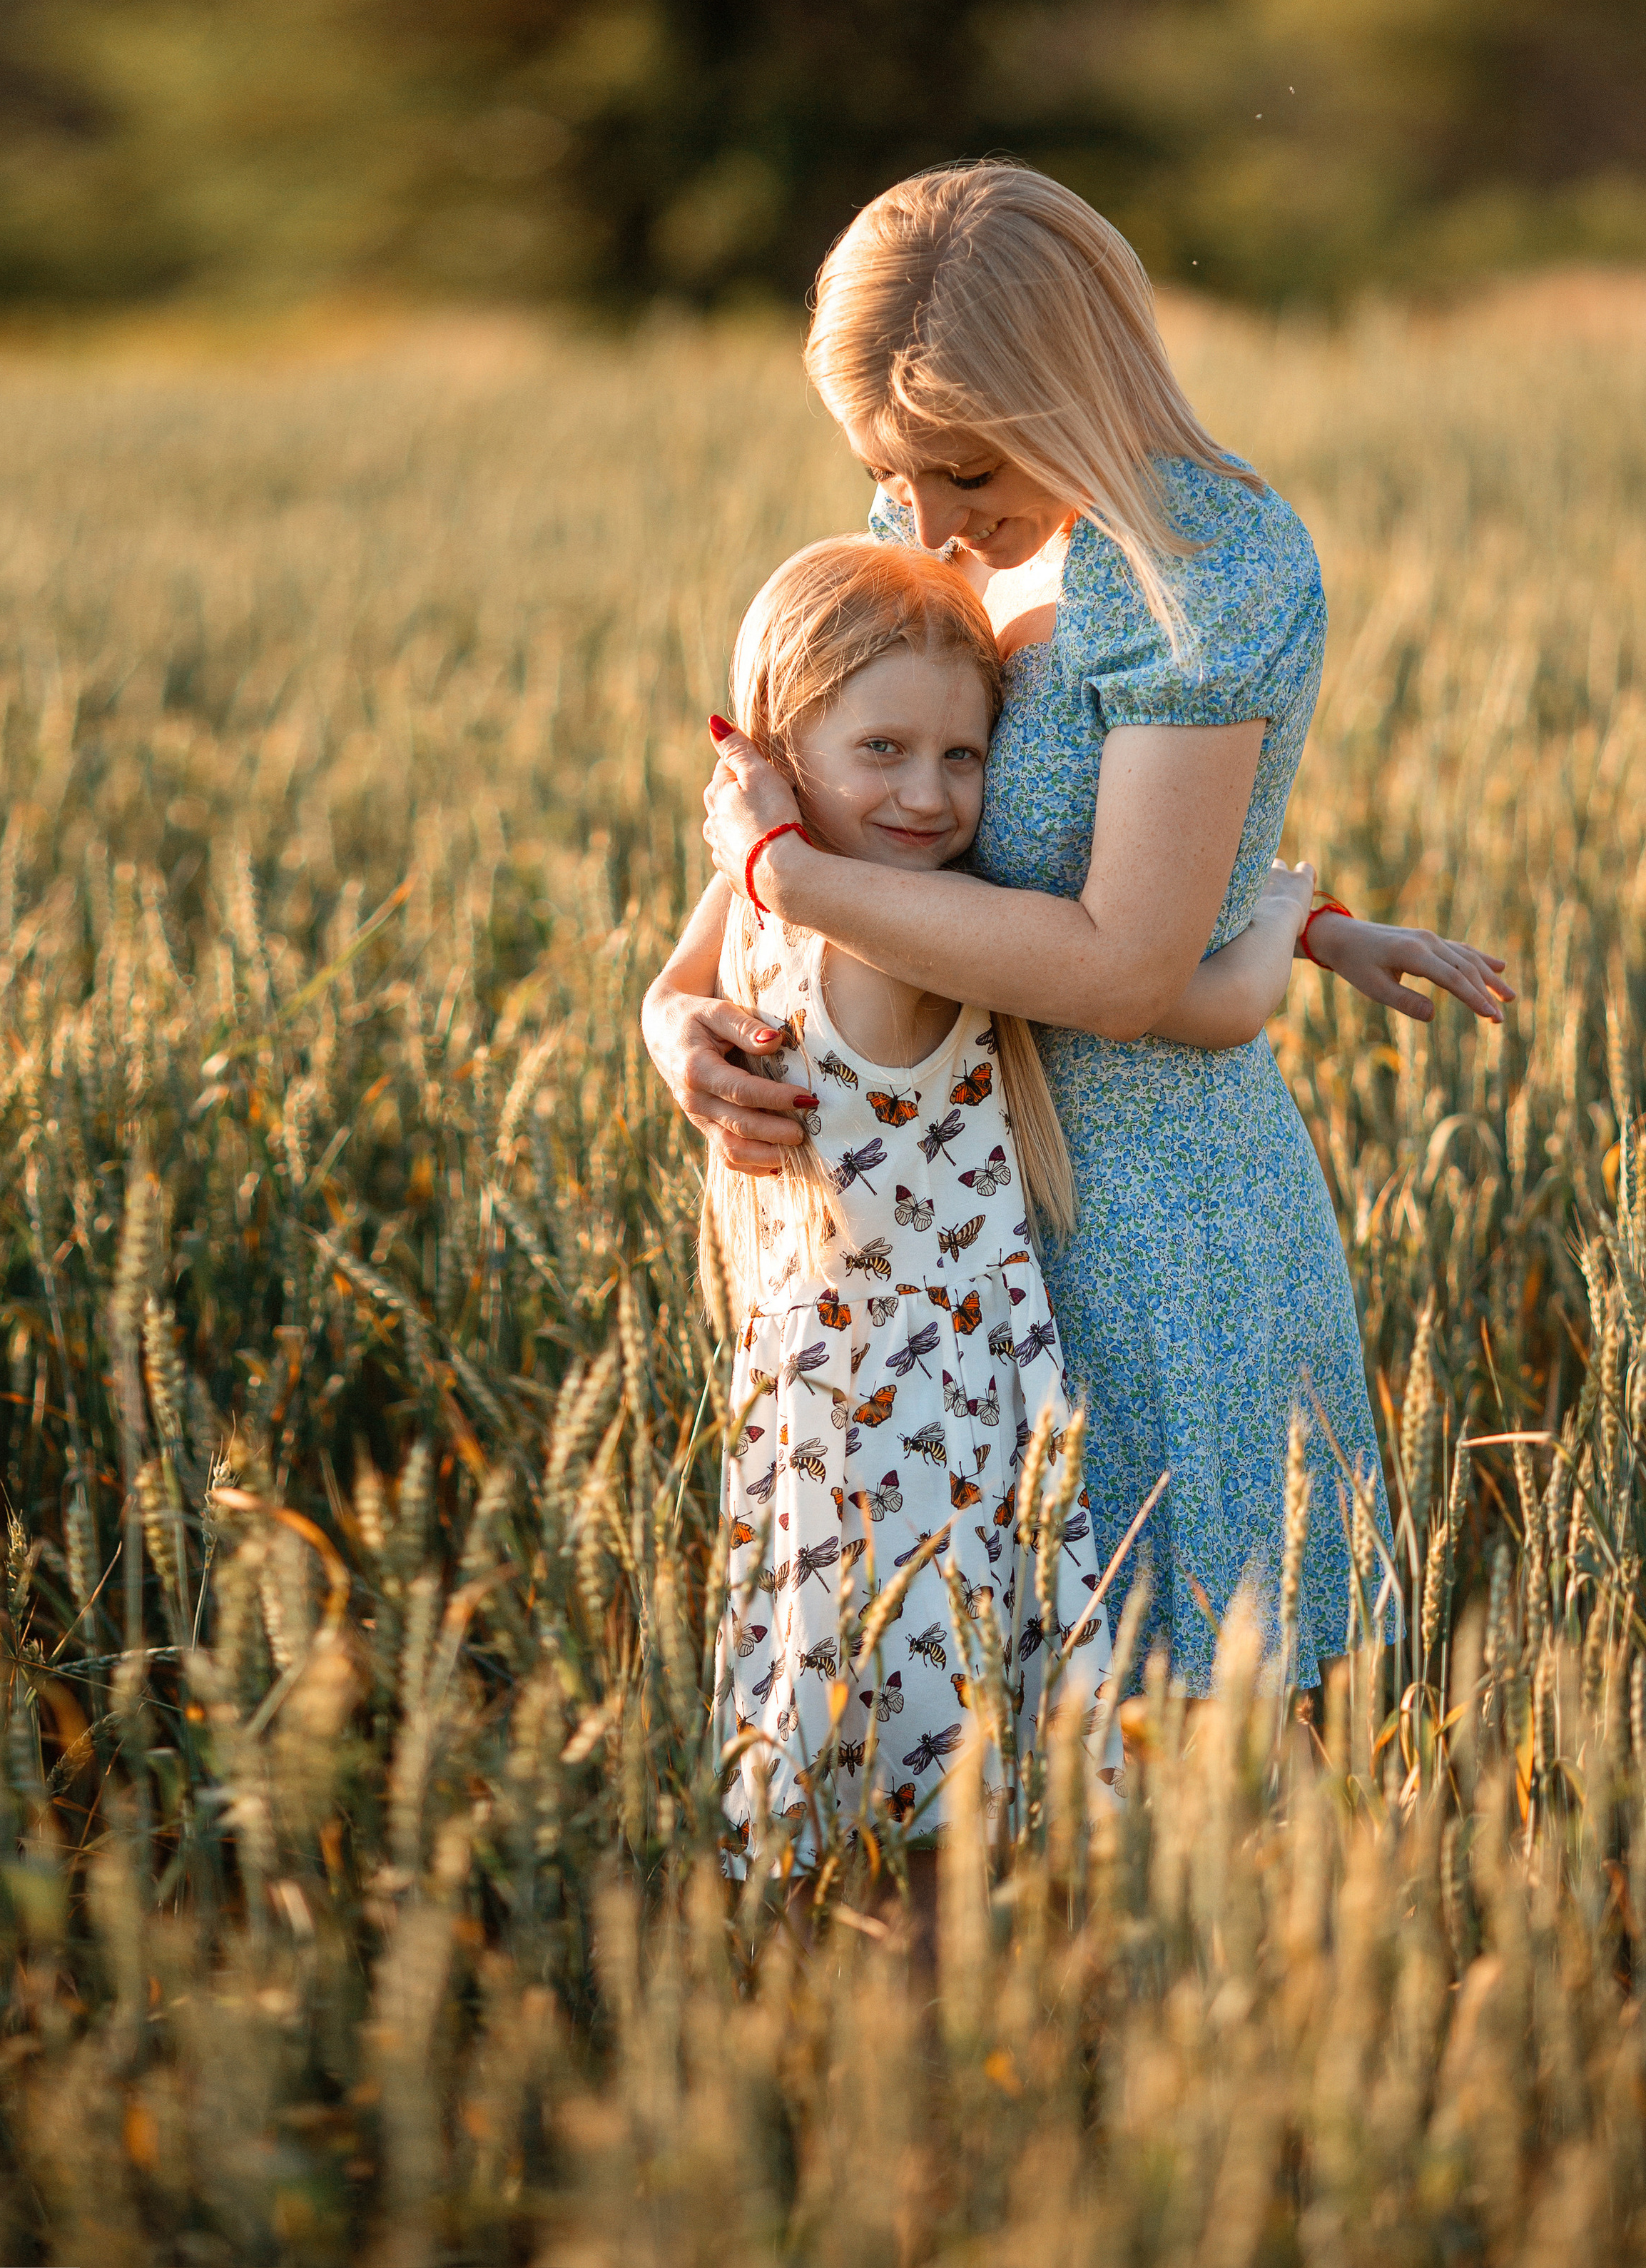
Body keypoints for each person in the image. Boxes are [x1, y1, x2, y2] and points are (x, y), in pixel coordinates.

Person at [645, 163, 1512, 1693]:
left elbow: (1121, 965)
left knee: (1219, 1762)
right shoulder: (944, 511)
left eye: (963, 474)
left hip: (1154, 1234)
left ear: (1068, 397)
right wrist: (675, 1010)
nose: (923, 520)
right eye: (886, 471)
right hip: (930, 1246)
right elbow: (817, 795)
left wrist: (792, 883)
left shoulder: (1213, 567)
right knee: (985, 1782)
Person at [704, 530, 1318, 1880]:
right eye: (886, 753)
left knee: (877, 1775)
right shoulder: (907, 934)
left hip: (821, 1411)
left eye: (964, 757)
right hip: (939, 1424)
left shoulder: (777, 905)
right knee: (962, 1789)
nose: (929, 797)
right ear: (785, 746)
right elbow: (1202, 1001)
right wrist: (1285, 911)